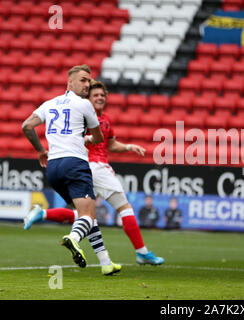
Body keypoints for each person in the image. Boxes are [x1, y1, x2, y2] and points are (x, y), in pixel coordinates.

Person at [24, 80, 164, 269]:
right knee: (125, 208)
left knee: (85, 216)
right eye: (95, 95)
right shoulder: (82, 114)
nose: (99, 98)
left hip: (80, 167)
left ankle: (44, 214)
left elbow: (111, 144)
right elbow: (73, 136)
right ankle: (142, 252)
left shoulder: (104, 120)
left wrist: (130, 146)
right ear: (87, 98)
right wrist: (87, 139)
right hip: (92, 166)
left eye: (102, 95)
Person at [22, 64, 104, 269]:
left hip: (54, 167)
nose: (87, 84)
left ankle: (106, 262)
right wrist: (88, 139)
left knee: (82, 213)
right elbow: (99, 136)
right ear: (70, 82)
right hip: (75, 162)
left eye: (89, 81)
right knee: (88, 216)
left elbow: (27, 126)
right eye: (83, 80)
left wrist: (41, 151)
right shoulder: (85, 105)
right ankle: (74, 238)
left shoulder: (49, 104)